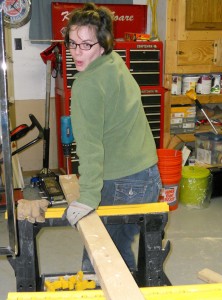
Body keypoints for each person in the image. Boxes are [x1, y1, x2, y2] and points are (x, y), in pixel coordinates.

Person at [64, 2, 162, 273]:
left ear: (103, 42)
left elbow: (90, 147)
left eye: (86, 44)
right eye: (72, 43)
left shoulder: (86, 85)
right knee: (115, 253)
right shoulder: (113, 61)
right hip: (147, 175)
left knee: (102, 262)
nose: (77, 52)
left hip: (124, 182)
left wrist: (87, 198)